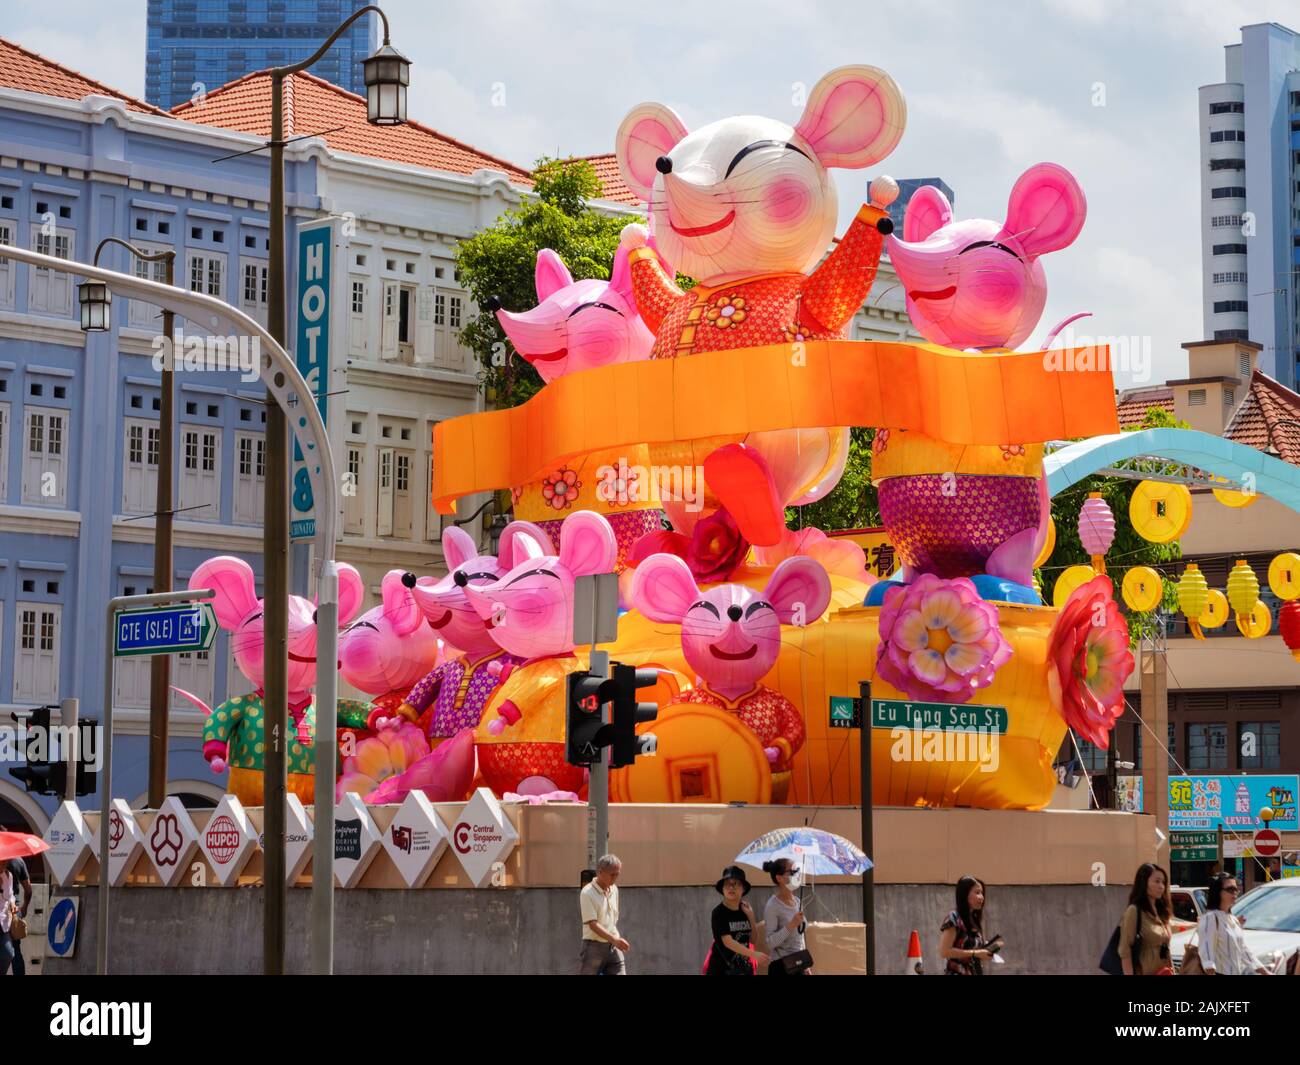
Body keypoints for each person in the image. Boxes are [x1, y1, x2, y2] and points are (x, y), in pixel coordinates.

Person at [1198, 872, 1268, 976]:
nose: (1235, 893)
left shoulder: (1233, 919)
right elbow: (1207, 957)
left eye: (1236, 889)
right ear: (1217, 892)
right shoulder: (1210, 918)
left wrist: (1265, 972)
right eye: (1230, 889)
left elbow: (1243, 950)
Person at [706, 865, 769, 975]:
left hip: (742, 969)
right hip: (722, 970)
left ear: (743, 889)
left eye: (735, 884)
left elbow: (753, 940)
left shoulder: (745, 910)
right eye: (727, 884)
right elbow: (728, 942)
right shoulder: (719, 912)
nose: (731, 888)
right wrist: (754, 954)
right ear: (722, 889)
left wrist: (751, 917)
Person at [1119, 862, 1173, 975]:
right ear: (1144, 883)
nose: (1161, 886)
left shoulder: (1162, 912)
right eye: (1157, 881)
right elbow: (1125, 951)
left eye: (1163, 882)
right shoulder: (1134, 911)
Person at [579, 854, 628, 975]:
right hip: (593, 947)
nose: (615, 878)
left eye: (617, 874)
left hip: (613, 946)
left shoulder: (614, 889)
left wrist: (615, 940)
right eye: (612, 874)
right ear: (600, 872)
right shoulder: (587, 892)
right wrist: (615, 940)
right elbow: (593, 924)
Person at [939, 874, 997, 975]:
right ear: (965, 894)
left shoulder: (973, 919)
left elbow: (970, 947)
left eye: (982, 893)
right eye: (977, 892)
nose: (981, 897)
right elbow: (944, 951)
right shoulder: (954, 918)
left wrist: (985, 949)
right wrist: (976, 953)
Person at [762, 859, 810, 975]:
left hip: (799, 963)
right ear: (779, 878)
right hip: (781, 966)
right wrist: (791, 925)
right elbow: (770, 943)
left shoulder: (797, 902)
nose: (797, 875)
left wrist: (805, 964)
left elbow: (800, 936)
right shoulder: (773, 905)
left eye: (797, 871)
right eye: (792, 872)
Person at [6, 857, 31, 977]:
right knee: (16, 950)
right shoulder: (18, 861)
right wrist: (24, 907)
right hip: (14, 912)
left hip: (9, 910)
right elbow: (28, 889)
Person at [0, 860, 16, 976]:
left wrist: (13, 903)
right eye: (2, 862)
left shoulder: (9, 875)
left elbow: (10, 896)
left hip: (3, 923)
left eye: (6, 862)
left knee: (8, 953)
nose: (5, 864)